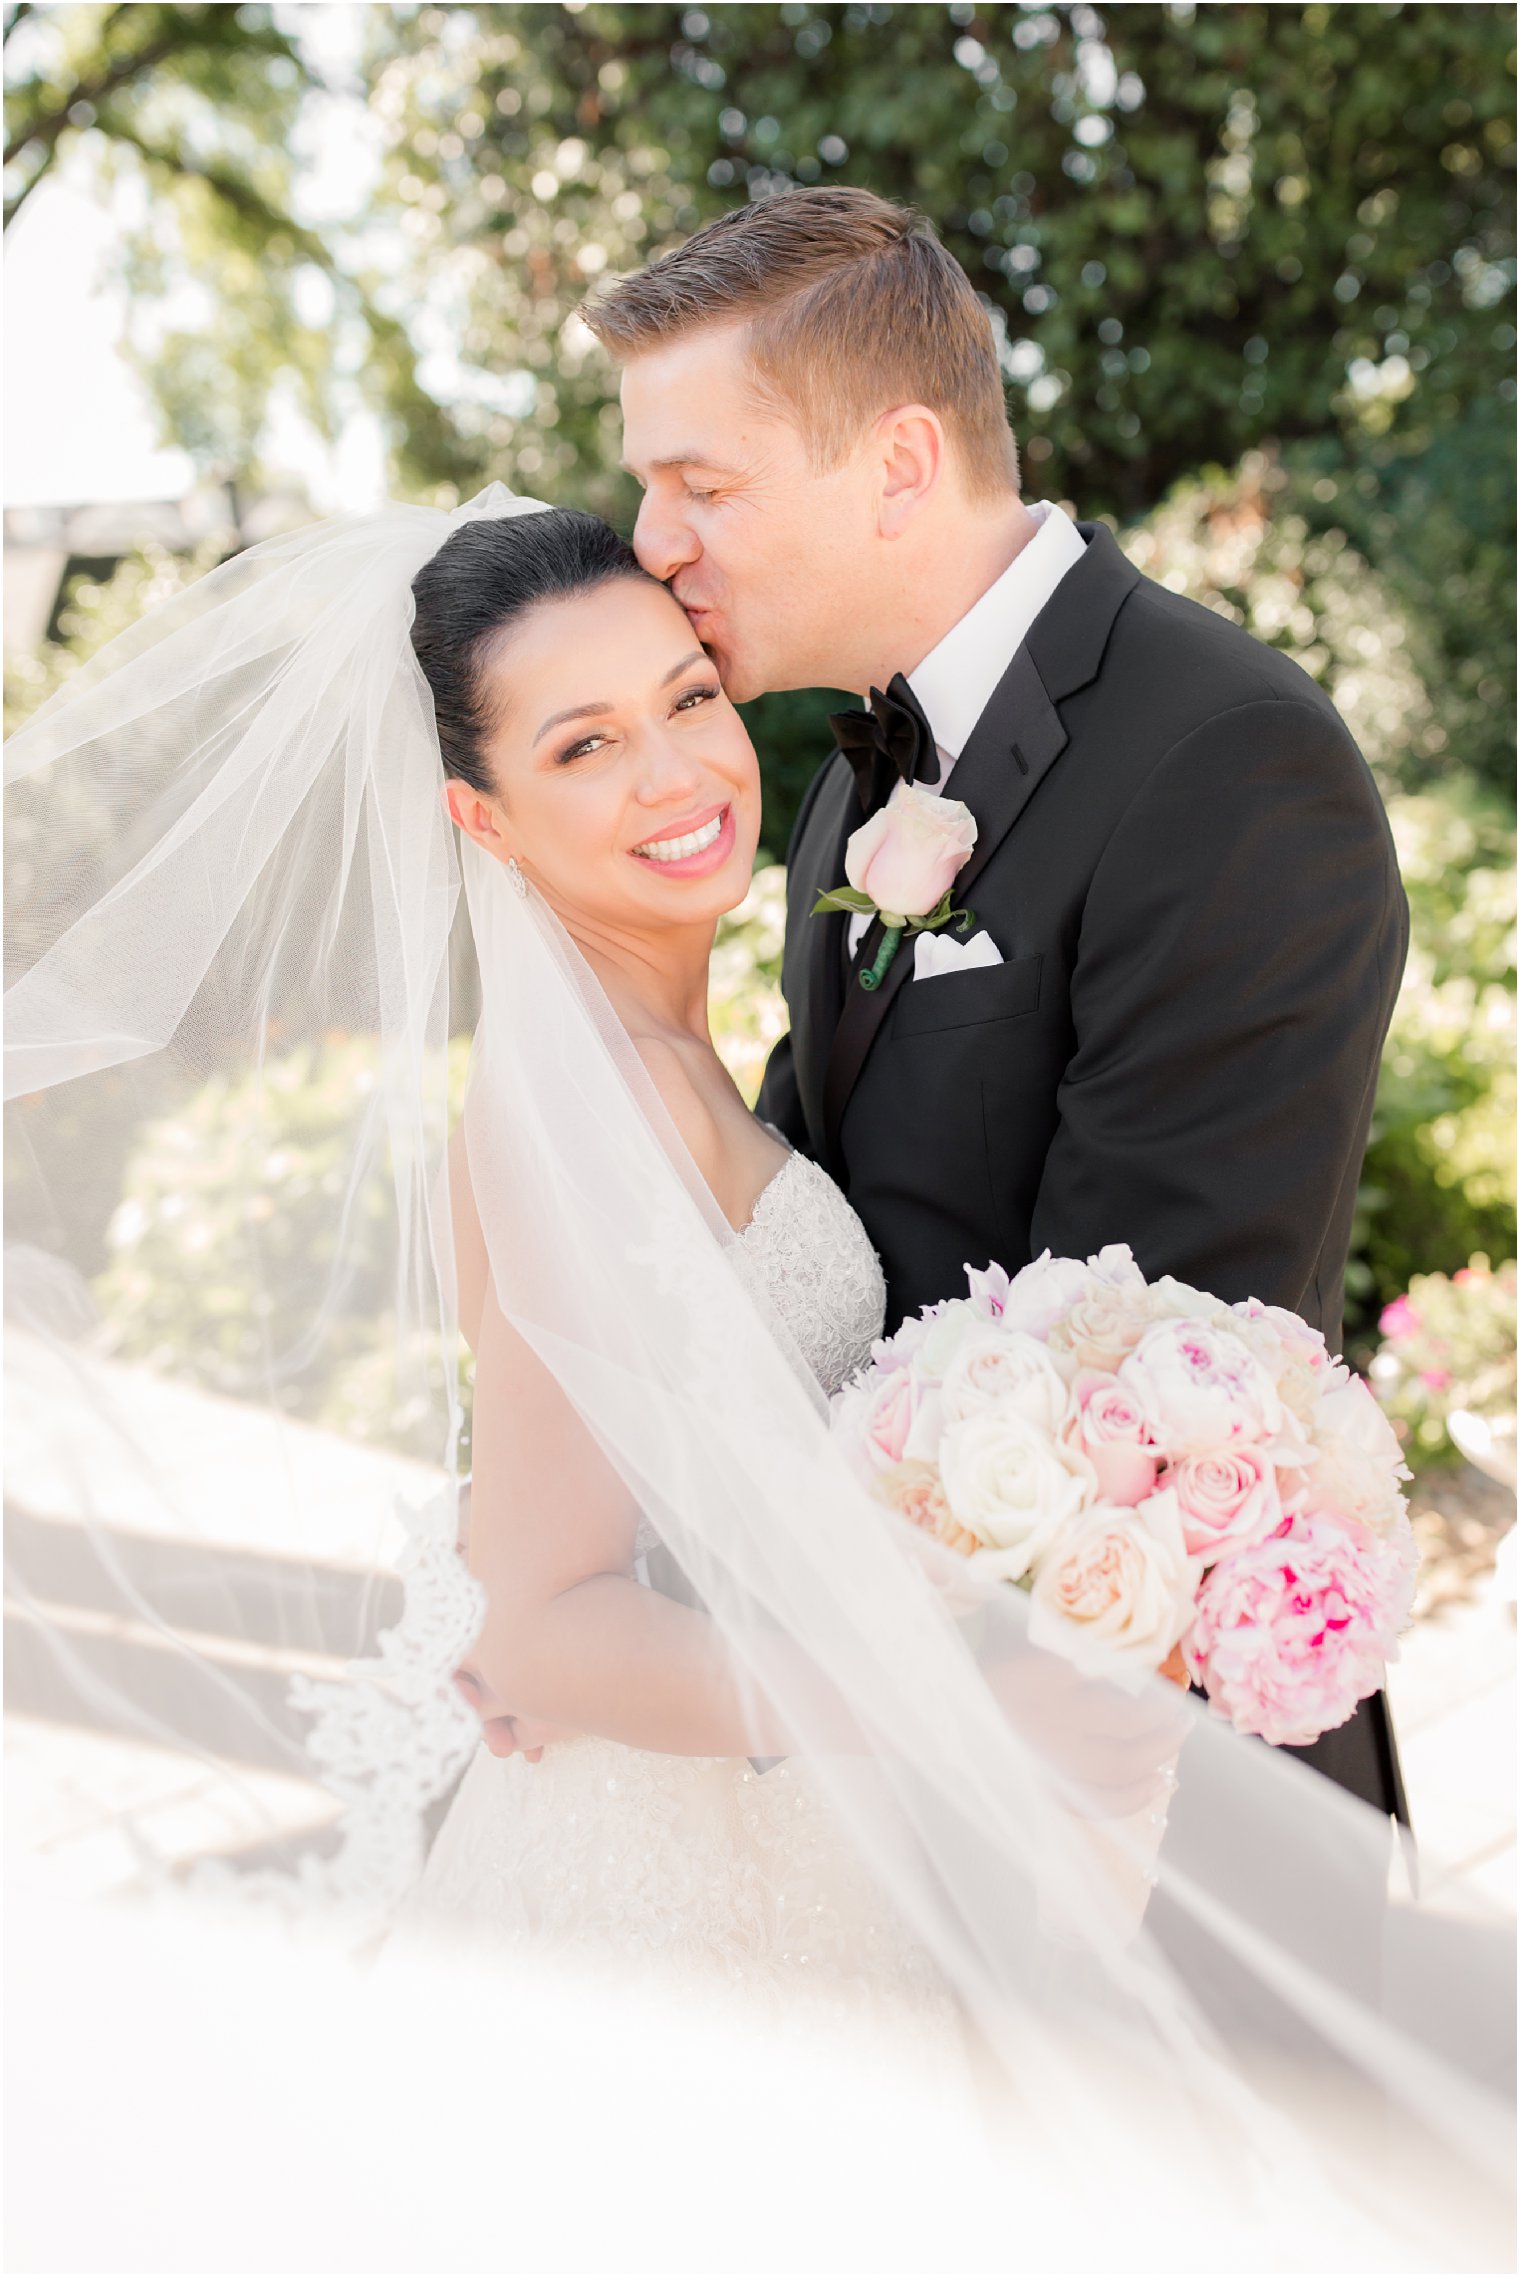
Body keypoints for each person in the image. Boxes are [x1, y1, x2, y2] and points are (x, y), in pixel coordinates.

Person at [6, 488, 1509, 2267]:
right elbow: (545, 1624)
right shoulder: (591, 1102)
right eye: (585, 743)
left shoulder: (675, 1051)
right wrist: (952, 1695)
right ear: (476, 814)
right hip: (685, 1893)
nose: (676, 774)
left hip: (794, 1852)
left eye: (685, 701)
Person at [587, 183, 1409, 1828]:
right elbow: (811, 1232)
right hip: (911, 1780)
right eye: (645, 487)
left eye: (703, 484)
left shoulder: (1227, 759)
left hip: (1151, 1808)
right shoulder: (848, 781)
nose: (654, 542)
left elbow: (1153, 1378)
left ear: (899, 464)